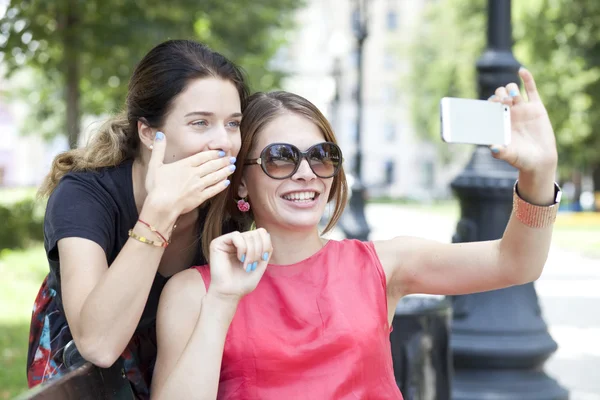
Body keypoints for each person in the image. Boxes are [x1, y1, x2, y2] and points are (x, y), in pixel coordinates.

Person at [150, 68, 561, 400]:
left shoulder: (382, 264)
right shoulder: (195, 292)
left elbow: (517, 263)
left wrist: (538, 172)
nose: (307, 173)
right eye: (281, 158)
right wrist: (223, 302)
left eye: (321, 156)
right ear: (241, 182)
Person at [26, 39, 249, 398]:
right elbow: (98, 344)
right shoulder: (84, 195)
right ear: (148, 132)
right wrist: (160, 212)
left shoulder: (231, 201)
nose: (223, 142)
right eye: (200, 123)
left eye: (233, 123)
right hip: (88, 381)